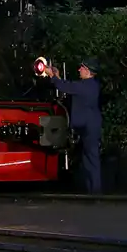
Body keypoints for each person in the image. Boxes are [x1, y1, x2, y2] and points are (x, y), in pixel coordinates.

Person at [47, 57, 103, 194]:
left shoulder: (86, 86)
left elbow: (66, 87)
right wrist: (57, 76)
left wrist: (52, 77)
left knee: (92, 160)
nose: (79, 70)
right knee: (88, 160)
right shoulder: (91, 85)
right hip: (89, 126)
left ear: (88, 71)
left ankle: (96, 192)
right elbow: (69, 86)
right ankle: (92, 192)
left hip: (89, 126)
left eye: (82, 68)